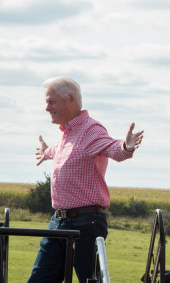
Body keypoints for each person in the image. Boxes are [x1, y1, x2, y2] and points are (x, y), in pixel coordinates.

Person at [27, 77, 144, 283]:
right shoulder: (66, 133)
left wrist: (127, 146)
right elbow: (59, 151)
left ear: (70, 99)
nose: (47, 108)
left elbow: (113, 149)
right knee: (40, 279)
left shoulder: (90, 130)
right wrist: (46, 152)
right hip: (59, 221)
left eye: (51, 101)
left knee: (89, 280)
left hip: (85, 223)